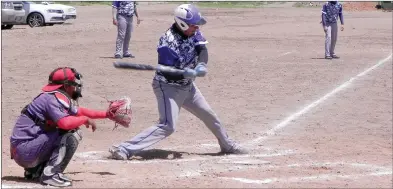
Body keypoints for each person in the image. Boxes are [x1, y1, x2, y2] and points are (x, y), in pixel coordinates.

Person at [109, 4, 248, 161]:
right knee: (167, 125)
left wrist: (201, 64)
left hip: (187, 87)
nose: (196, 28)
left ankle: (227, 145)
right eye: (194, 25)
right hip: (167, 87)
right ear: (182, 24)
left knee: (209, 115)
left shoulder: (193, 32)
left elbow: (202, 50)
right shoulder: (167, 41)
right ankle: (124, 148)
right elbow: (169, 72)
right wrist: (183, 72)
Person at [10, 67, 114, 187]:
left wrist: (106, 115)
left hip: (23, 149)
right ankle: (51, 174)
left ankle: (35, 171)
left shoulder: (53, 96)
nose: (76, 87)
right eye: (73, 84)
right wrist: (84, 120)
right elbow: (65, 124)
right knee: (71, 132)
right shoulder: (52, 100)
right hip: (25, 151)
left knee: (63, 128)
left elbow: (79, 111)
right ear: (65, 86)